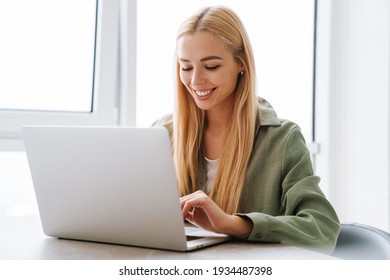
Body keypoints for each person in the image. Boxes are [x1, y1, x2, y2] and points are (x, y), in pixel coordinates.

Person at [153, 5, 340, 253]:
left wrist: (237, 224)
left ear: (241, 64)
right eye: (186, 67)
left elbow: (323, 229)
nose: (196, 80)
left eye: (211, 67)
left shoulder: (281, 139)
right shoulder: (162, 133)